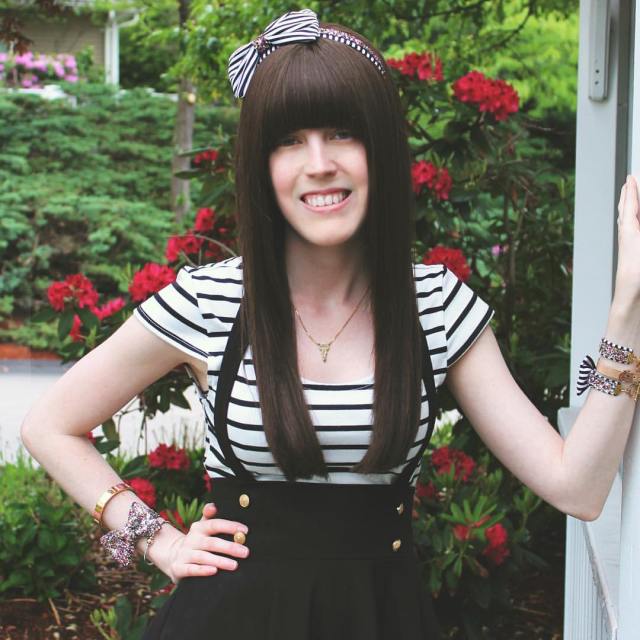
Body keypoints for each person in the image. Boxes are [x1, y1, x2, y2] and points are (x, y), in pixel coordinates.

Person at [19, 8, 640, 640]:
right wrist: (156, 541)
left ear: (381, 148)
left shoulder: (437, 309)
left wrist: (627, 308)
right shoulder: (211, 302)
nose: (318, 163)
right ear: (261, 165)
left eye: (342, 133)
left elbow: (578, 487)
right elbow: (50, 425)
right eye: (288, 141)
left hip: (381, 620)